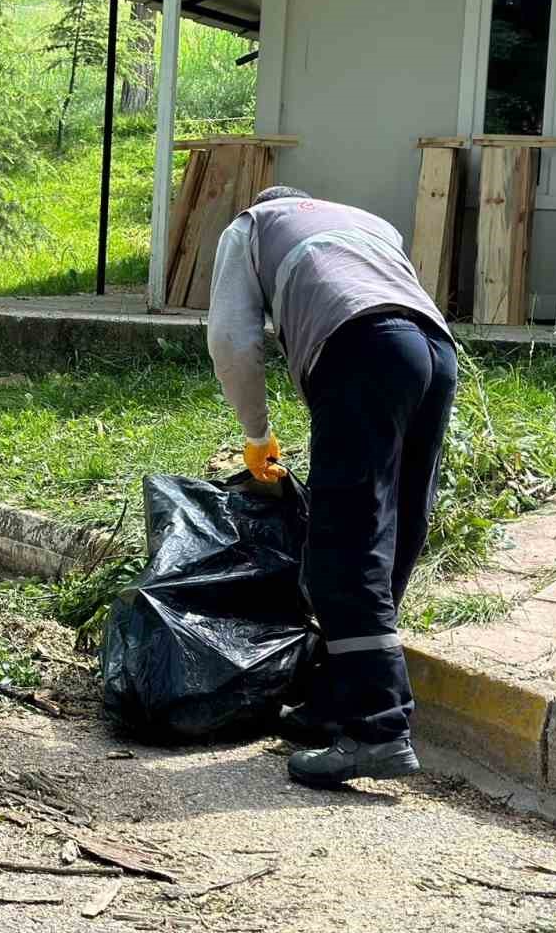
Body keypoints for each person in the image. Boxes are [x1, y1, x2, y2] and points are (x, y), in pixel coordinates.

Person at [206, 185, 457, 787]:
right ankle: (339, 697)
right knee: (393, 526)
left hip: (363, 348)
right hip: (435, 350)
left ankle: (379, 728)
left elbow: (232, 339)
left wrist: (257, 433)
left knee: (344, 542)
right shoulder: (366, 215)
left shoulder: (251, 226)